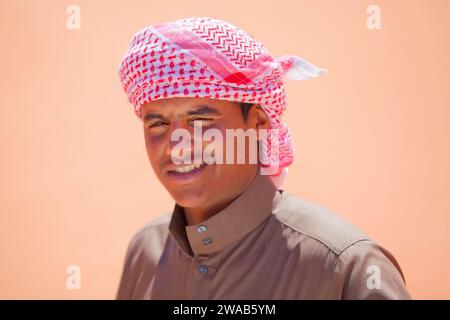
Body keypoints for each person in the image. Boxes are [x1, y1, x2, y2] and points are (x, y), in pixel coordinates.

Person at [115, 17, 411, 299]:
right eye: (158, 124)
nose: (176, 147)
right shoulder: (145, 252)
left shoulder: (346, 267)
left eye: (200, 121)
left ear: (258, 123)